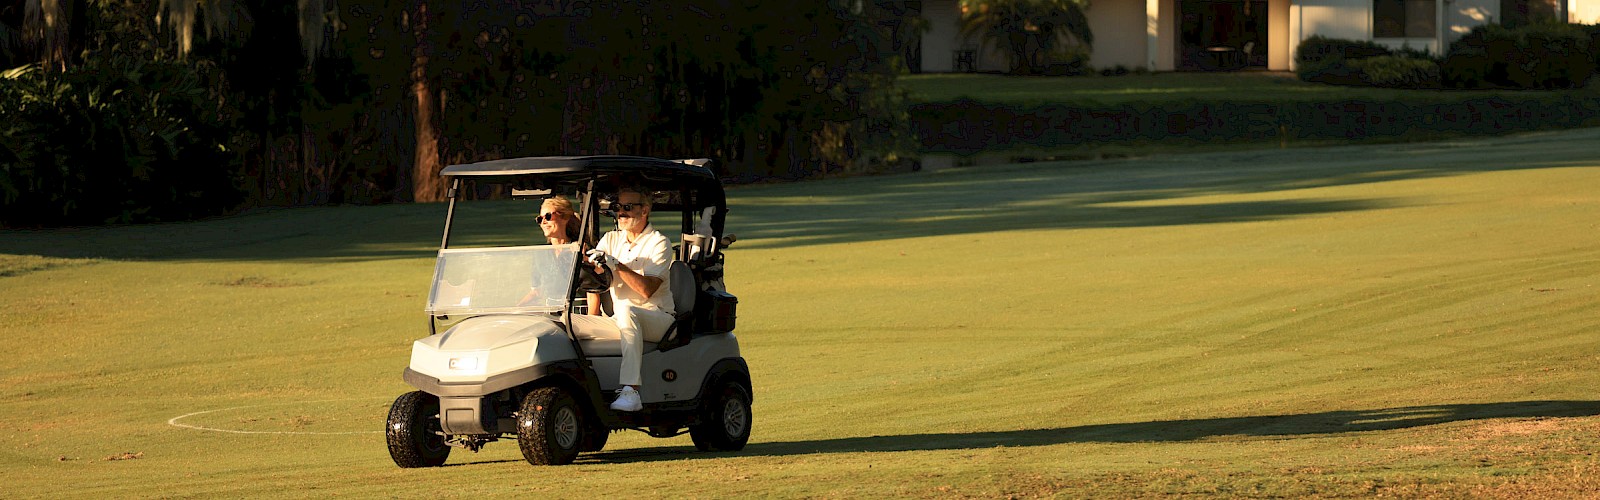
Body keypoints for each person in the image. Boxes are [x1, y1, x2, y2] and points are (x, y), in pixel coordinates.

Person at [582, 187, 676, 412]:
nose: (620, 213)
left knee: (626, 311)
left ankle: (630, 390)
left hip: (658, 318)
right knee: (567, 325)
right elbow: (598, 277)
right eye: (617, 208)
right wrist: (585, 263)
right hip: (620, 319)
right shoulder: (611, 238)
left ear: (644, 211)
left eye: (627, 207)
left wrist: (615, 264)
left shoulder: (659, 243)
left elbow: (647, 290)